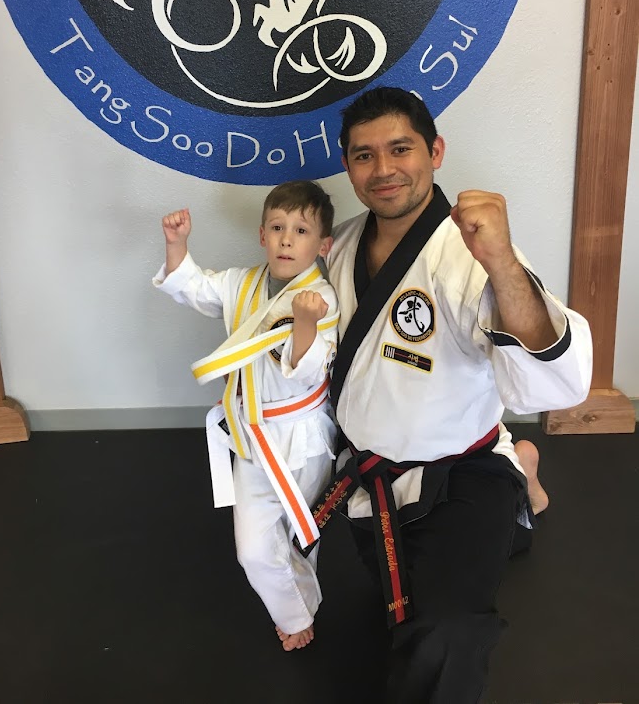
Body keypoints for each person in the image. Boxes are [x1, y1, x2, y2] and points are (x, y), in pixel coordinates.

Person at [311, 86, 592, 702]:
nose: (383, 169)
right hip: (375, 474)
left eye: (400, 149)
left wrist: (501, 261)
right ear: (347, 165)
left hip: (460, 469)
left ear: (435, 152)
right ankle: (525, 483)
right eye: (363, 155)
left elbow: (552, 380)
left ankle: (511, 473)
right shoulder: (343, 245)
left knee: (444, 630)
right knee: (402, 597)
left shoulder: (472, 253)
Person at [152, 180, 339, 652]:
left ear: (323, 245)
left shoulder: (321, 299)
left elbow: (308, 369)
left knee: (301, 533)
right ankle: (296, 612)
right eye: (277, 227)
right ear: (261, 235)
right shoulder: (242, 284)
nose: (287, 240)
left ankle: (298, 607)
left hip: (303, 436)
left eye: (301, 231)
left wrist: (305, 322)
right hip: (253, 437)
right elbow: (196, 288)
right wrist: (177, 245)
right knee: (255, 548)